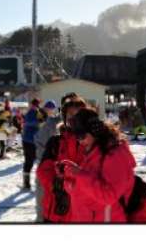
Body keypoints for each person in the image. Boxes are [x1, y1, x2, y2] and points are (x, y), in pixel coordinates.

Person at [59, 108, 140, 223]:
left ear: (94, 131)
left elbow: (109, 196)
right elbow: (87, 188)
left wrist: (79, 174)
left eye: (81, 135)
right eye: (76, 136)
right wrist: (70, 175)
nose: (79, 141)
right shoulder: (93, 151)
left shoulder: (114, 154)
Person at [36, 94, 87, 223]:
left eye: (79, 114)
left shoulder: (93, 143)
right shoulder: (55, 142)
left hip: (84, 210)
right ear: (64, 118)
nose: (75, 118)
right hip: (56, 210)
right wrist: (56, 186)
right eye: (70, 115)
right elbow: (43, 170)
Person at [34, 100, 61, 222]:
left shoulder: (53, 120)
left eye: (52, 108)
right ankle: (42, 219)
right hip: (45, 160)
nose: (50, 110)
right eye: (49, 108)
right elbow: (38, 137)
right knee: (44, 193)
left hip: (46, 158)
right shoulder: (43, 118)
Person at [22, 98, 45, 190]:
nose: (36, 106)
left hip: (36, 141)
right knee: (29, 161)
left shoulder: (39, 112)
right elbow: (27, 122)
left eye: (37, 105)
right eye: (35, 105)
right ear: (32, 105)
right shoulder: (30, 113)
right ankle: (26, 182)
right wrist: (38, 122)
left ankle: (38, 181)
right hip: (28, 140)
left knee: (37, 161)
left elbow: (42, 122)